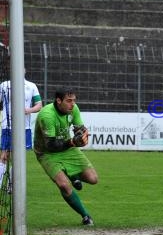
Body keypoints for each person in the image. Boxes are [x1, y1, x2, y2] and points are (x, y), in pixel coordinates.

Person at [34, 88, 98, 226]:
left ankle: (72, 175)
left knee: (93, 179)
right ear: (58, 101)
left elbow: (79, 127)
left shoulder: (73, 109)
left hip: (68, 149)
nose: (73, 104)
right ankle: (85, 216)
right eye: (69, 101)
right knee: (64, 185)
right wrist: (72, 142)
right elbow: (50, 145)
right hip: (46, 153)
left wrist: (82, 134)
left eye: (74, 100)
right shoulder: (47, 115)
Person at [0, 71, 43, 190]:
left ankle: (12, 186)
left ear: (24, 70)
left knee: (18, 157)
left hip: (25, 128)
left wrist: (28, 110)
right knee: (4, 155)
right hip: (7, 127)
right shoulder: (4, 85)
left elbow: (39, 105)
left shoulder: (31, 86)